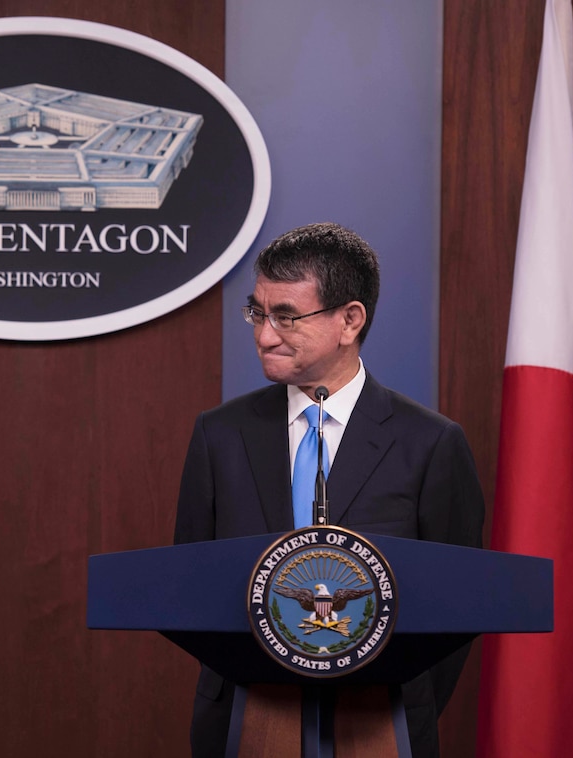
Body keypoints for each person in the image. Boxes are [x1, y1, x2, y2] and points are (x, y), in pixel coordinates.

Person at [173, 222, 484, 758]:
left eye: (286, 317)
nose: (265, 334)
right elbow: (187, 582)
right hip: (247, 717)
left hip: (379, 722)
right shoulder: (219, 435)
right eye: (257, 312)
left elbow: (462, 602)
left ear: (350, 320)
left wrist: (398, 698)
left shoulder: (431, 443)